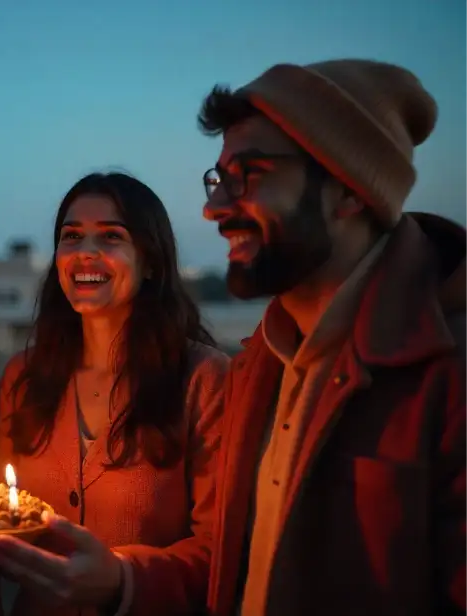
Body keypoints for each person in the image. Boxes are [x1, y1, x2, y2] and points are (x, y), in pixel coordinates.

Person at [197, 59, 467, 616]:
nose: (215, 208)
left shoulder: (449, 372)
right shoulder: (258, 364)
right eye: (218, 179)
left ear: (347, 191)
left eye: (248, 174)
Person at [0, 172, 229, 616]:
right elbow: (4, 509)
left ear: (151, 260)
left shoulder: (203, 379)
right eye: (72, 236)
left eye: (111, 237)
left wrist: (122, 579)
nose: (85, 253)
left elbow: (223, 547)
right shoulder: (26, 376)